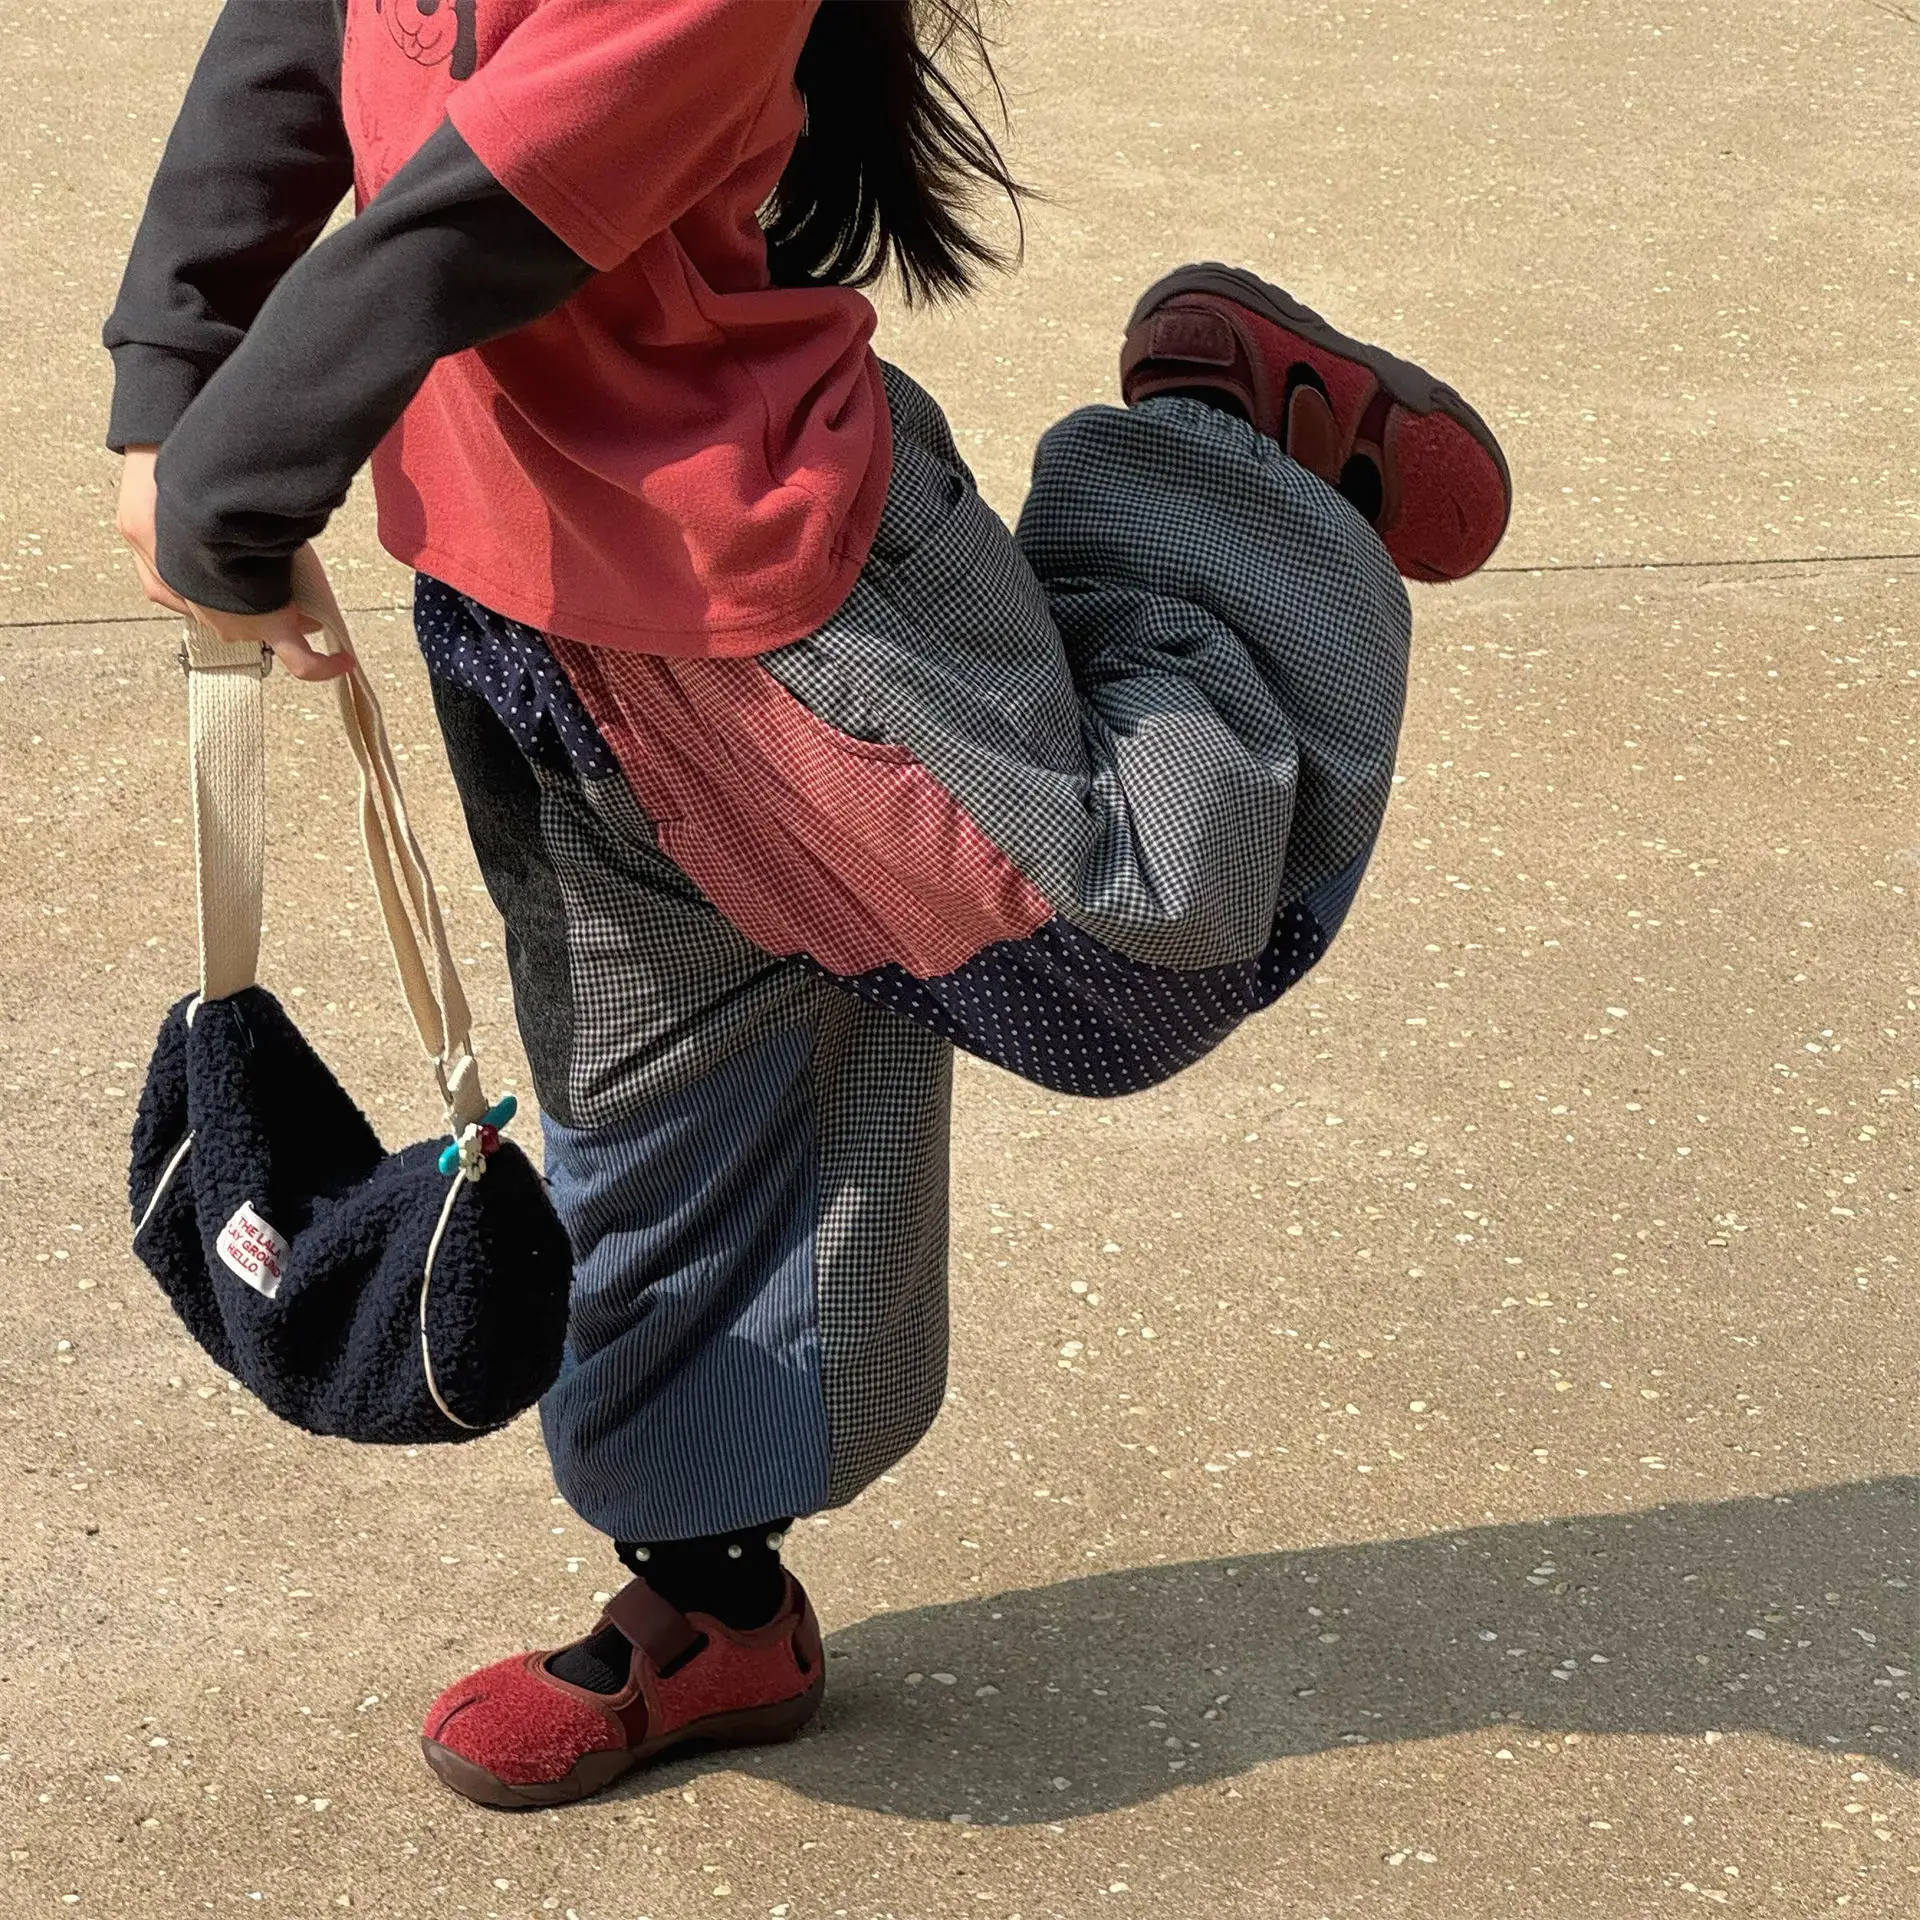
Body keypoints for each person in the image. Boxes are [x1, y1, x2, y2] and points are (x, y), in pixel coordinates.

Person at [105, 0, 1510, 1810]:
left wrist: (221, 488)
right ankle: (713, 1603)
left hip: (778, 588)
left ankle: (1230, 461)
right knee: (652, 1086)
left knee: (1134, 942)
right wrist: (170, 378)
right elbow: (297, 37)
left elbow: (477, 216)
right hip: (526, 596)